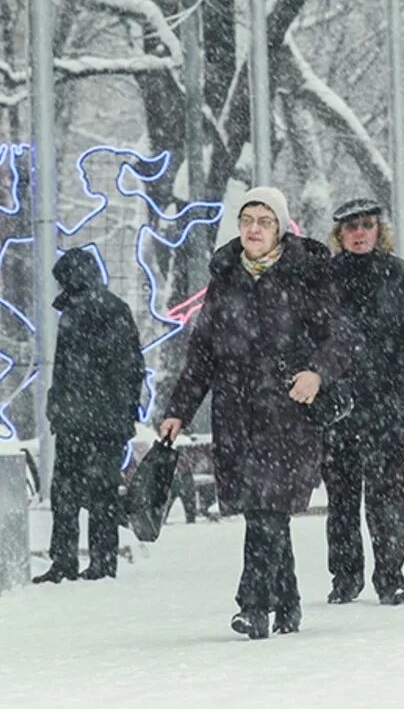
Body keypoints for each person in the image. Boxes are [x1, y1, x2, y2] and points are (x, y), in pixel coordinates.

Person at [161, 187, 359, 639]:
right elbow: (202, 355)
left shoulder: (306, 274)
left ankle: (253, 606)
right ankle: (287, 604)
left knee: (267, 507)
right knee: (262, 511)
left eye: (264, 221)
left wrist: (317, 373)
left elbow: (341, 337)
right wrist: (178, 411)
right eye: (247, 219)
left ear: (281, 228)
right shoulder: (226, 277)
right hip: (236, 414)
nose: (253, 228)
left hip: (288, 413)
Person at [320, 198, 404, 607]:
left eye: (367, 225)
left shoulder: (403, 277)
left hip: (387, 406)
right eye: (351, 227)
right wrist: (331, 384)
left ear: (379, 230)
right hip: (338, 408)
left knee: (389, 498)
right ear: (340, 234)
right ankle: (345, 577)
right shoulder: (323, 279)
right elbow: (312, 338)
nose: (360, 233)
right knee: (342, 499)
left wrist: (393, 378)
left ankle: (391, 575)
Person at [32, 248, 145, 584]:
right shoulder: (114, 309)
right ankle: (102, 562)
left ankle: (64, 561)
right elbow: (131, 368)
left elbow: (67, 371)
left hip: (77, 422)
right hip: (105, 423)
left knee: (65, 493)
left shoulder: (76, 313)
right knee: (103, 495)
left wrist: (58, 407)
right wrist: (124, 413)